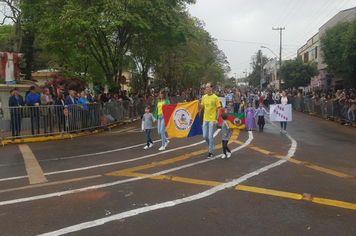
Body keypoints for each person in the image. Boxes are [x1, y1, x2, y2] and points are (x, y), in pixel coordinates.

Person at [200, 82, 221, 158]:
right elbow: (203, 107)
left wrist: (217, 119)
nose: (206, 88)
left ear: (211, 88)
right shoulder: (204, 97)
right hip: (205, 119)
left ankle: (210, 151)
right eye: (206, 87)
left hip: (212, 119)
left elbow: (218, 108)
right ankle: (211, 145)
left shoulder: (215, 97)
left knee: (210, 136)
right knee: (205, 136)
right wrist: (198, 104)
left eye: (208, 87)